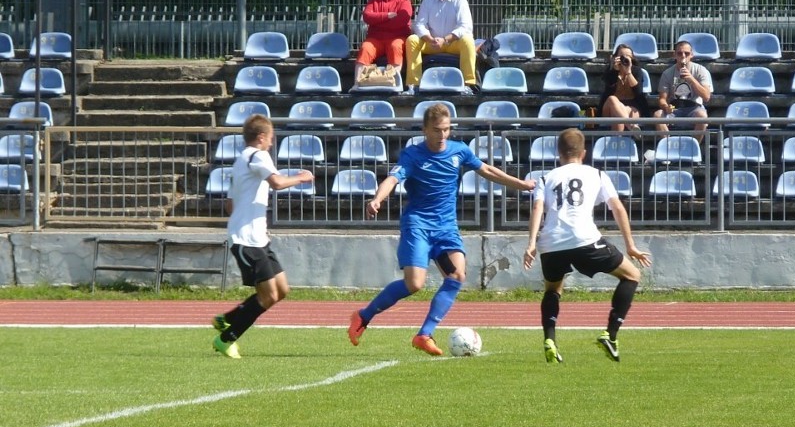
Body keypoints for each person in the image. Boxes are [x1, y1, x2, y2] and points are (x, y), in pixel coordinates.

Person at [348, 103, 535, 355]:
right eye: (437, 130)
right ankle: (363, 316)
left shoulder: (459, 151)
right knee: (414, 284)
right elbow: (392, 179)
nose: (442, 135)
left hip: (445, 229)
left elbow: (488, 170)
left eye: (446, 130)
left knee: (457, 276)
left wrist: (521, 184)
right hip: (418, 226)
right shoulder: (412, 155)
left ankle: (424, 334)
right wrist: (377, 199)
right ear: (425, 129)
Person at [523, 128, 652, 364]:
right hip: (585, 239)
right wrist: (630, 245)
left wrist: (531, 243)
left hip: (551, 243)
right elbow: (618, 208)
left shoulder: (545, 178)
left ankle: (549, 340)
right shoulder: (597, 174)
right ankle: (610, 335)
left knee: (552, 289)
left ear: (558, 153)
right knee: (632, 275)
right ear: (584, 153)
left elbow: (537, 209)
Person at [211, 114, 314, 358]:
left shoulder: (240, 161)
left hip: (256, 237)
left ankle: (227, 319)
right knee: (269, 296)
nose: (271, 143)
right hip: (247, 239)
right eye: (270, 138)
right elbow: (277, 182)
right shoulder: (258, 155)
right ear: (261, 137)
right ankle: (226, 339)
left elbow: (229, 206)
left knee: (281, 289)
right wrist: (301, 177)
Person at [405, 0, 477, 94]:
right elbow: (419, 25)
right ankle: (413, 85)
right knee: (412, 40)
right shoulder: (428, 0)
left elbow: (466, 27)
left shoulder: (459, 0)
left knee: (468, 40)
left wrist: (445, 40)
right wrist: (431, 39)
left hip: (453, 43)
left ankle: (468, 85)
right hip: (432, 43)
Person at [353, 0, 413, 87]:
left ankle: (395, 83)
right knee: (365, 48)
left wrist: (377, 22)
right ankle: (357, 84)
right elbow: (366, 16)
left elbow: (403, 19)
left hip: (397, 37)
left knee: (395, 47)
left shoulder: (404, 0)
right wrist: (387, 16)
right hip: (375, 39)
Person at [653, 40, 713, 141]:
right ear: (675, 55)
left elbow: (706, 96)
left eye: (687, 53)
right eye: (680, 53)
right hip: (675, 108)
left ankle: (694, 149)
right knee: (657, 115)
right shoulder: (667, 73)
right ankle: (668, 146)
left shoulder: (700, 70)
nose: (683, 56)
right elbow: (662, 98)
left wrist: (691, 79)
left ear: (692, 55)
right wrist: (665, 106)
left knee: (702, 116)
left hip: (694, 107)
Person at [598, 44, 664, 132]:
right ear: (615, 57)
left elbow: (638, 91)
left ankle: (618, 141)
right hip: (609, 107)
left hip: (631, 106)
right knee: (612, 99)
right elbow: (608, 90)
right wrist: (615, 71)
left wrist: (628, 72)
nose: (624, 59)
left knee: (618, 117)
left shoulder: (637, 71)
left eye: (628, 56)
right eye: (621, 56)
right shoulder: (609, 72)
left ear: (632, 58)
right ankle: (631, 126)